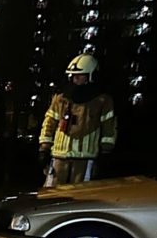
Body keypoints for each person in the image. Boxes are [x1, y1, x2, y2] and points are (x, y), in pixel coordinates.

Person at [38, 54, 116, 186]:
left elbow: (109, 127)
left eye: (80, 75)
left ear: (91, 76)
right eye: (73, 75)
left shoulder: (102, 100)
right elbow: (49, 123)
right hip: (59, 155)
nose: (75, 78)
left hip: (85, 158)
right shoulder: (61, 98)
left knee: (81, 196)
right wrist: (44, 148)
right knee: (51, 194)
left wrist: (106, 151)